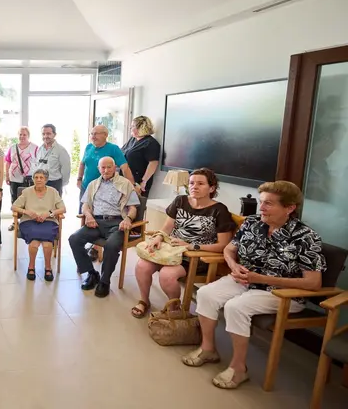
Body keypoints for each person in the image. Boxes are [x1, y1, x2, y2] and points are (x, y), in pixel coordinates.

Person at [182, 181, 325, 390]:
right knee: (206, 293)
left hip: (282, 293)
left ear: (290, 208)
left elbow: (314, 282)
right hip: (245, 280)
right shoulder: (252, 223)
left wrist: (263, 279)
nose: (262, 208)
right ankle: (208, 348)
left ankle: (239, 368)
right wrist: (233, 265)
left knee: (236, 307)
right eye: (261, 202)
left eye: (269, 204)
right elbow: (230, 249)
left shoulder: (305, 237)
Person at [131, 168, 235, 318]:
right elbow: (167, 227)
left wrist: (191, 246)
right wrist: (159, 237)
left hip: (195, 257)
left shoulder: (219, 210)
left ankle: (174, 308)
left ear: (211, 188)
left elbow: (223, 246)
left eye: (200, 183)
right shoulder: (180, 200)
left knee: (167, 275)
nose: (194, 187)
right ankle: (144, 301)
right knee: (142, 266)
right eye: (192, 183)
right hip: (170, 251)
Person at [69, 157, 139, 298]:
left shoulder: (125, 184)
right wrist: (88, 215)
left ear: (115, 168)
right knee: (74, 239)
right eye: (103, 168)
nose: (106, 170)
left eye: (109, 167)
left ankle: (104, 281)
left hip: (117, 223)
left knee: (111, 245)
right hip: (96, 222)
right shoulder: (93, 184)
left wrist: (128, 218)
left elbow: (133, 208)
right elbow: (85, 205)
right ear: (98, 169)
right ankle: (91, 273)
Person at [11, 169, 66, 281]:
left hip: (49, 221)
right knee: (34, 243)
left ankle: (48, 267)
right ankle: (31, 266)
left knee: (47, 244)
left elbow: (63, 208)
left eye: (41, 177)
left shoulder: (53, 191)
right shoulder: (27, 192)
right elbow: (14, 207)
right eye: (36, 177)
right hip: (29, 222)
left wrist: (49, 213)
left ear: (46, 179)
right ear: (33, 179)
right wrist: (27, 212)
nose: (38, 180)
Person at [78, 125, 135, 212]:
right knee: (84, 213)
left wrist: (132, 186)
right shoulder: (88, 147)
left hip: (103, 188)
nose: (93, 136)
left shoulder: (113, 148)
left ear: (105, 135)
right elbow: (82, 163)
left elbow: (125, 168)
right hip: (87, 186)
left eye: (96, 134)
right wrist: (79, 179)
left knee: (100, 213)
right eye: (91, 134)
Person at [4, 126, 38, 231]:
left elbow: (38, 163)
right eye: (20, 134)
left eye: (24, 134)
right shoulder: (12, 147)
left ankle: (28, 222)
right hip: (14, 179)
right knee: (15, 201)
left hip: (29, 179)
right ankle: (15, 222)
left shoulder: (35, 147)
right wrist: (7, 176)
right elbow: (8, 161)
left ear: (28, 136)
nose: (22, 136)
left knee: (29, 201)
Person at [121, 116, 161, 197]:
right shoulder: (132, 140)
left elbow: (153, 163)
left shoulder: (150, 143)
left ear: (141, 127)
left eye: (132, 126)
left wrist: (143, 182)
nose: (130, 128)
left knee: (135, 207)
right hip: (125, 180)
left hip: (138, 182)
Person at [34, 124, 71, 193]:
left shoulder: (61, 150)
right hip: (40, 184)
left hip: (54, 184)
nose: (45, 136)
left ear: (54, 134)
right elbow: (37, 165)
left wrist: (60, 185)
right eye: (43, 134)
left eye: (48, 134)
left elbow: (66, 170)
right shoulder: (39, 149)